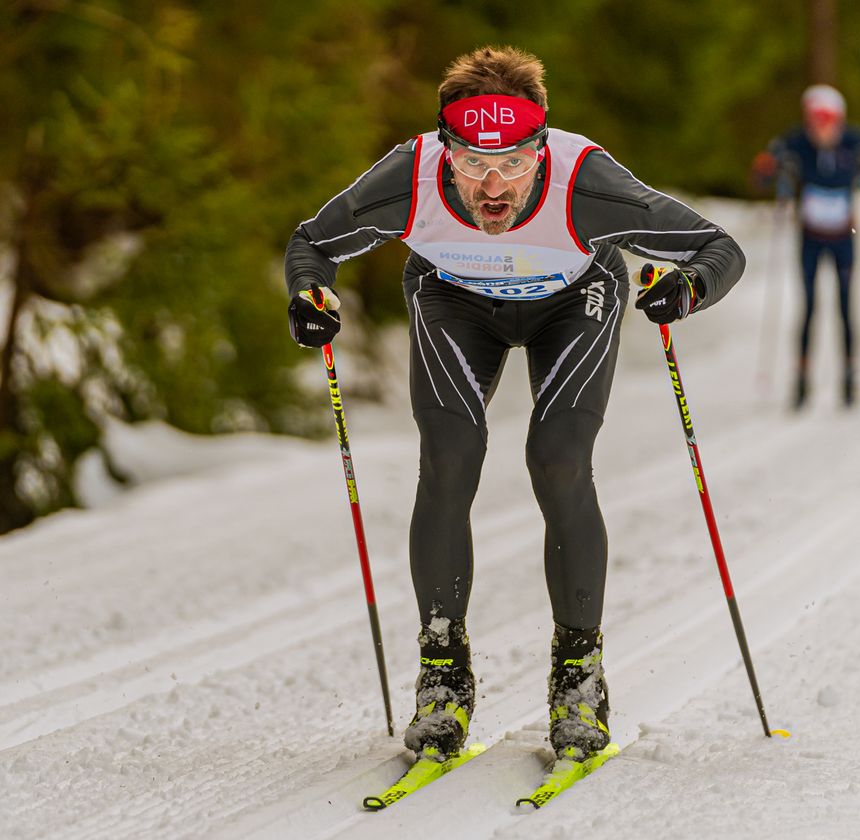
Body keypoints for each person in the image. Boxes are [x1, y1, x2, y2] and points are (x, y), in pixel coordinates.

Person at [283, 46, 745, 764]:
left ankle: (578, 676)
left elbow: (717, 248)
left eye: (514, 163)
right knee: (449, 459)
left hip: (573, 301)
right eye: (470, 165)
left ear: (541, 151)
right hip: (456, 299)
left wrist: (685, 290)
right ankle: (442, 675)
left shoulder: (584, 180)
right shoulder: (409, 177)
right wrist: (311, 294)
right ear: (445, 152)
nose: (492, 187)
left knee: (558, 460)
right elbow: (314, 242)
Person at [752, 84, 860, 410]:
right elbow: (761, 172)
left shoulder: (855, 140)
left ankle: (849, 375)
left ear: (840, 119)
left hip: (844, 236)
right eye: (815, 119)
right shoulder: (796, 142)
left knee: (845, 306)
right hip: (811, 237)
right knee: (810, 307)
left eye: (828, 119)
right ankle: (801, 379)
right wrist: (775, 168)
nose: (822, 127)